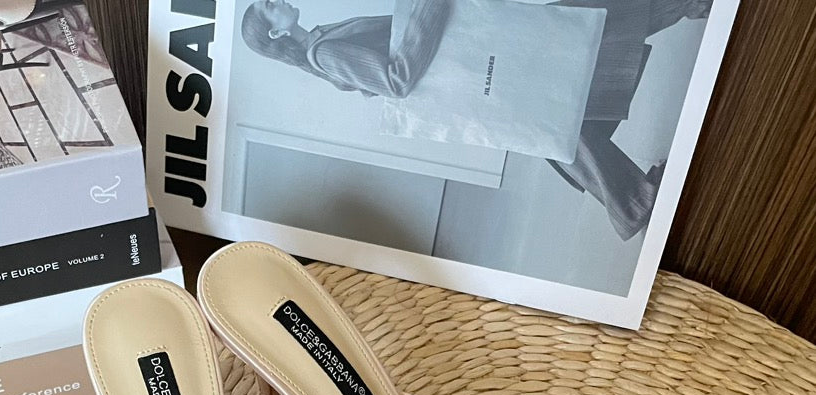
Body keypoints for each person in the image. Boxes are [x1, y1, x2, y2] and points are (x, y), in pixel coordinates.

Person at [241, 0, 712, 240]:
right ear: (275, 32)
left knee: (562, 92)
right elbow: (396, 79)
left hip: (472, 64)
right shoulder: (323, 53)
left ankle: (631, 202)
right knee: (577, 35)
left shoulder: (320, 40)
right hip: (468, 70)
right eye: (268, 7)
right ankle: (631, 202)